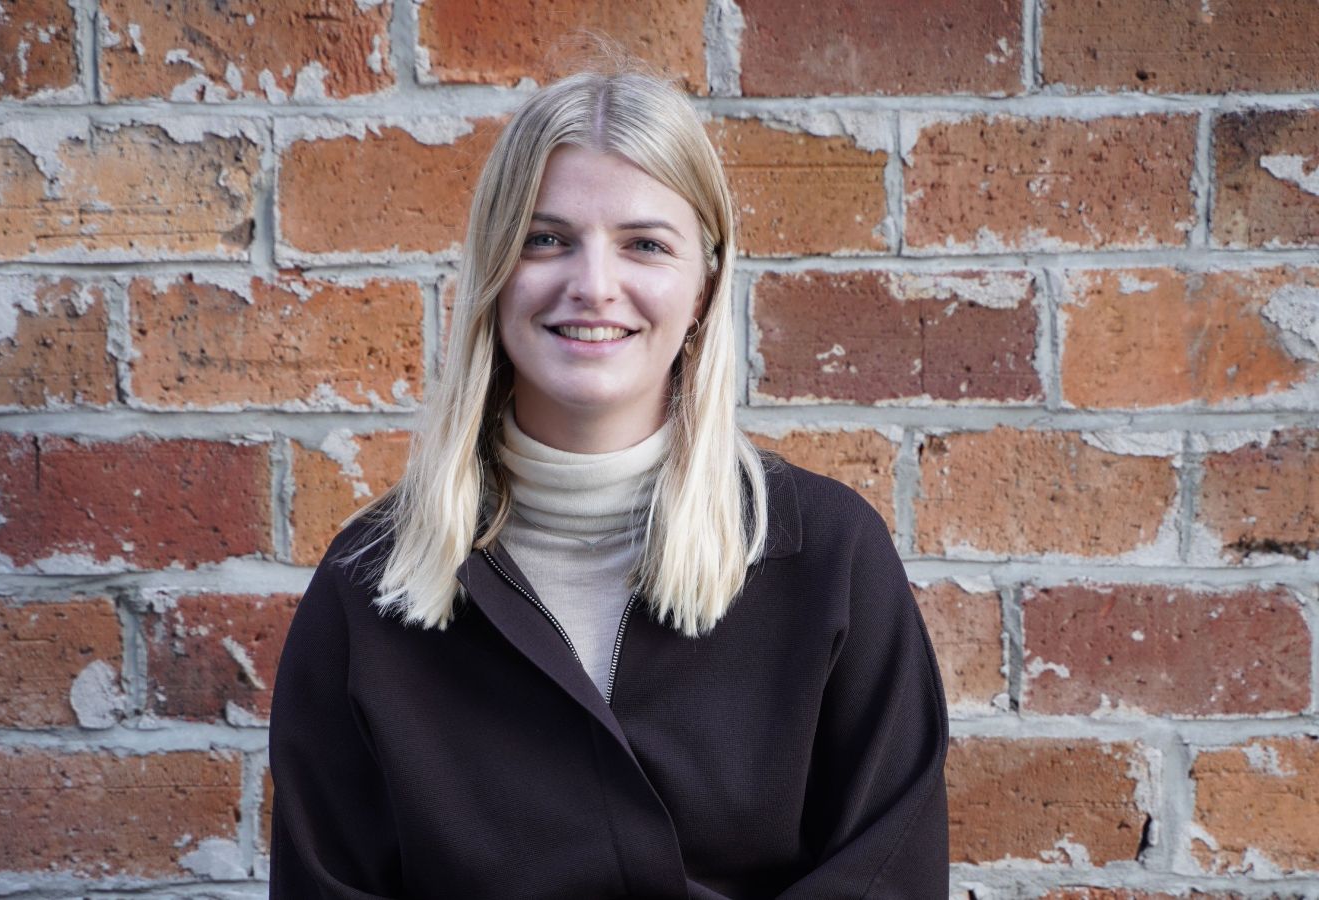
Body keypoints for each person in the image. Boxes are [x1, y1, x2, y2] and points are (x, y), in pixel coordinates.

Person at [269, 65, 949, 899]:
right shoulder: (368, 587)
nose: (593, 285)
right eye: (546, 238)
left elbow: (890, 875)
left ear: (703, 283)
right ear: (493, 269)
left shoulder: (831, 559)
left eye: (645, 244)